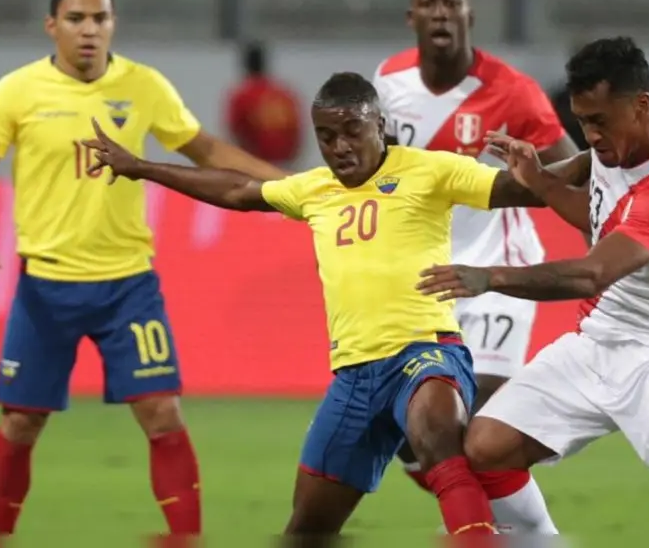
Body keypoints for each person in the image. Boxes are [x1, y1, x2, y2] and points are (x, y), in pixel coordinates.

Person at [85, 71, 555, 537]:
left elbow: (520, 191)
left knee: (438, 438)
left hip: (425, 353)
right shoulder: (313, 189)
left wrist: (577, 168)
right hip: (354, 377)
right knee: (306, 529)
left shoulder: (430, 169)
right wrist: (142, 168)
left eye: (353, 131)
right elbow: (233, 189)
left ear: (381, 126)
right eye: (327, 137)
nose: (340, 147)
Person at [0, 0, 285, 538]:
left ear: (112, 24)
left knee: (162, 413)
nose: (89, 30)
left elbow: (204, 149)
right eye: (76, 19)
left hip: (128, 286)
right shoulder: (17, 91)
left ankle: (186, 539)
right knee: (20, 422)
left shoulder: (143, 85)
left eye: (99, 19)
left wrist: (289, 184)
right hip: (46, 288)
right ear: (51, 26)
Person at [418, 37, 649, 537]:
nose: (591, 135)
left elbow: (592, 272)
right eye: (583, 121)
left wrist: (490, 277)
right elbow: (596, 213)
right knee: (485, 449)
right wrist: (538, 179)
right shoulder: (613, 147)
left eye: (599, 121)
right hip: (598, 339)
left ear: (641, 105)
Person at [372, 0, 585, 533]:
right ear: (411, 16)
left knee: (479, 423)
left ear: (471, 16)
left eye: (451, 3)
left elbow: (573, 169)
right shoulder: (388, 83)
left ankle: (535, 537)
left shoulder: (513, 91)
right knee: (415, 437)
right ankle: (488, 523)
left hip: (496, 271)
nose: (440, 13)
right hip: (423, 282)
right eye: (428, 3)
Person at [224, 41, 302, 166]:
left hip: (257, 164)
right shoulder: (284, 93)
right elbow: (297, 130)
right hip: (286, 163)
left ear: (245, 64)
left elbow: (236, 132)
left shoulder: (242, 95)